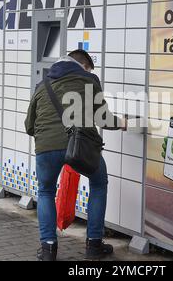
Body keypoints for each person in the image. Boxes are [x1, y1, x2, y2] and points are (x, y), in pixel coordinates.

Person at [25, 49, 127, 261]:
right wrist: (121, 123)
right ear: (84, 66)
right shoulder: (89, 80)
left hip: (46, 147)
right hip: (81, 145)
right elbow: (104, 119)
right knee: (98, 184)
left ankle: (48, 250)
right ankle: (94, 245)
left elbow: (29, 125)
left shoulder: (42, 85)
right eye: (89, 69)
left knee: (45, 191)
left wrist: (46, 138)